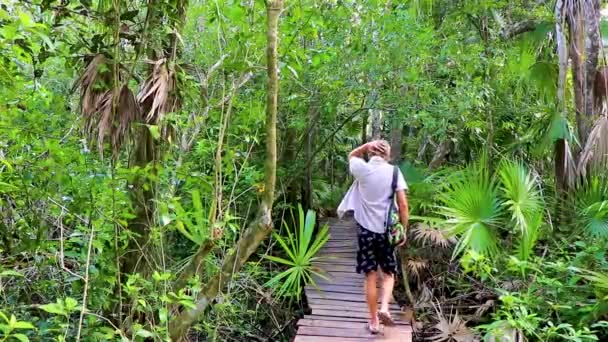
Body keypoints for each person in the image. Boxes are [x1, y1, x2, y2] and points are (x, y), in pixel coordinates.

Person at [337, 140, 409, 334]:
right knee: (388, 274)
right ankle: (385, 307)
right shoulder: (394, 172)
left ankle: (374, 321)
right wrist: (404, 229)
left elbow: (352, 155)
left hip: (365, 231)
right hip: (387, 232)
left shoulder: (362, 169)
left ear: (371, 153)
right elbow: (402, 204)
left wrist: (365, 146)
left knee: (370, 275)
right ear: (388, 155)